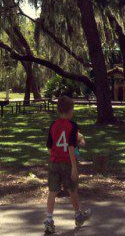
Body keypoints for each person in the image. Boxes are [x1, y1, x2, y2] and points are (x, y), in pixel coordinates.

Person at [44, 95, 92, 233]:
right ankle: (78, 215)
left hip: (54, 162)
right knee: (72, 190)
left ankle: (48, 220)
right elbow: (71, 147)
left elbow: (49, 146)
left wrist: (55, 155)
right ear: (70, 110)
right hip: (68, 163)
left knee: (52, 192)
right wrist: (74, 168)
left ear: (59, 110)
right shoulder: (72, 126)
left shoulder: (53, 125)